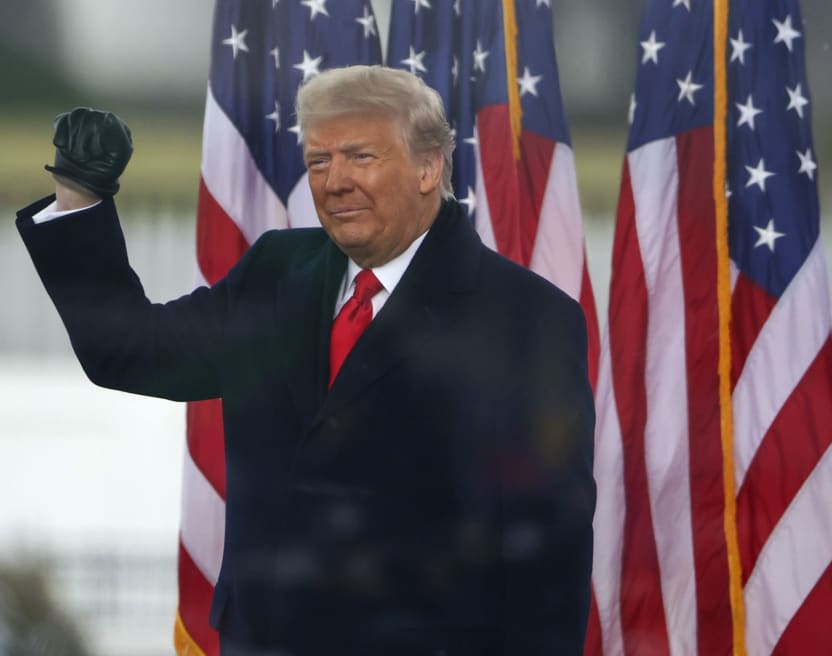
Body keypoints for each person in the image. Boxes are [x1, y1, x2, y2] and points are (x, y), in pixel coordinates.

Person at [16, 65, 595, 655]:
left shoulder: (526, 317)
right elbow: (131, 352)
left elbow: (548, 556)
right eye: (319, 162)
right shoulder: (275, 272)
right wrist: (80, 192)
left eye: (360, 157)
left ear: (428, 167)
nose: (335, 181)